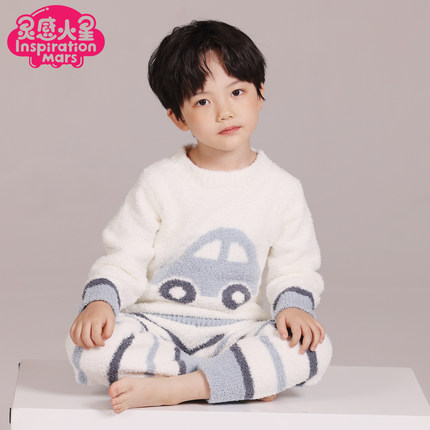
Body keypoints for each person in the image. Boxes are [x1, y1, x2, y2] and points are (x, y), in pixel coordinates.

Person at [66, 19, 333, 414]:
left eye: (237, 92)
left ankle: (178, 387)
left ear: (260, 94)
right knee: (86, 347)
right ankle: (236, 380)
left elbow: (294, 268)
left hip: (238, 332)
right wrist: (100, 304)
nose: (225, 112)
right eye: (203, 102)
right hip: (158, 326)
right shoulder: (159, 181)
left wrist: (293, 309)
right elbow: (124, 257)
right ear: (178, 117)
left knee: (313, 350)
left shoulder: (282, 189)